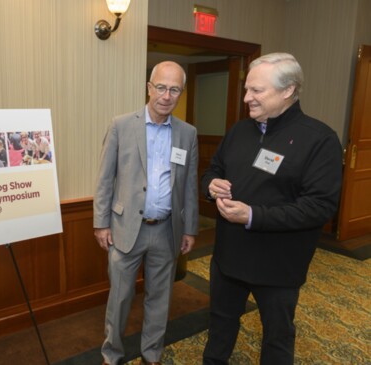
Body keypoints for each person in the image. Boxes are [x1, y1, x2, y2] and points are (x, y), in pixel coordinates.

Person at [201, 53, 343, 364]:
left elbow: (319, 207)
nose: (246, 98)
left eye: (256, 91)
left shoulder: (319, 140)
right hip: (228, 259)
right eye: (246, 89)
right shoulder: (240, 131)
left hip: (277, 265)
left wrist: (252, 215)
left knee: (277, 339)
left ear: (288, 90)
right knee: (220, 327)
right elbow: (213, 170)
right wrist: (212, 186)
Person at [94, 61, 199, 365]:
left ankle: (152, 355)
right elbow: (104, 178)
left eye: (175, 89)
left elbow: (188, 186)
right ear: (149, 88)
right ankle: (111, 355)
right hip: (126, 227)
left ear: (181, 93)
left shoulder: (187, 133)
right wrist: (101, 224)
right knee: (120, 298)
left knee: (159, 298)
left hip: (166, 231)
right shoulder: (122, 125)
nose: (167, 95)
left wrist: (190, 228)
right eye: (162, 87)